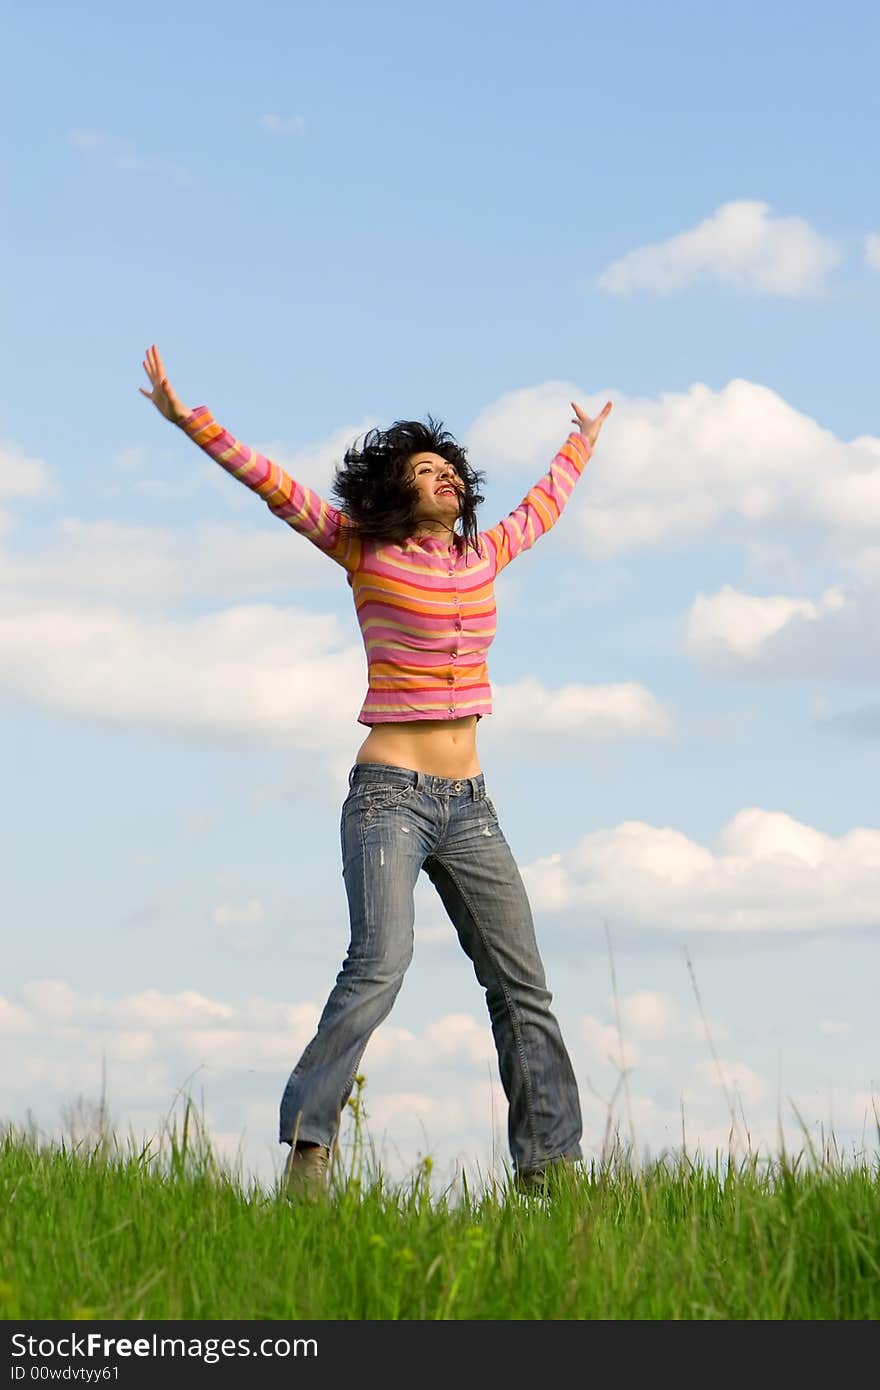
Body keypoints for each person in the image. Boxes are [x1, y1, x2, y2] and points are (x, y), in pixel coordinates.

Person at [139, 344, 612, 1196]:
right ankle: (310, 1150)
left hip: (473, 806)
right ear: (398, 491)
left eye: (450, 472)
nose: (446, 481)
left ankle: (551, 1171)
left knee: (523, 985)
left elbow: (548, 503)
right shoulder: (362, 552)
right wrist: (189, 420)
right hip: (389, 797)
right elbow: (274, 487)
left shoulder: (486, 554)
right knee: (380, 961)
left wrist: (579, 446)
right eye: (427, 472)